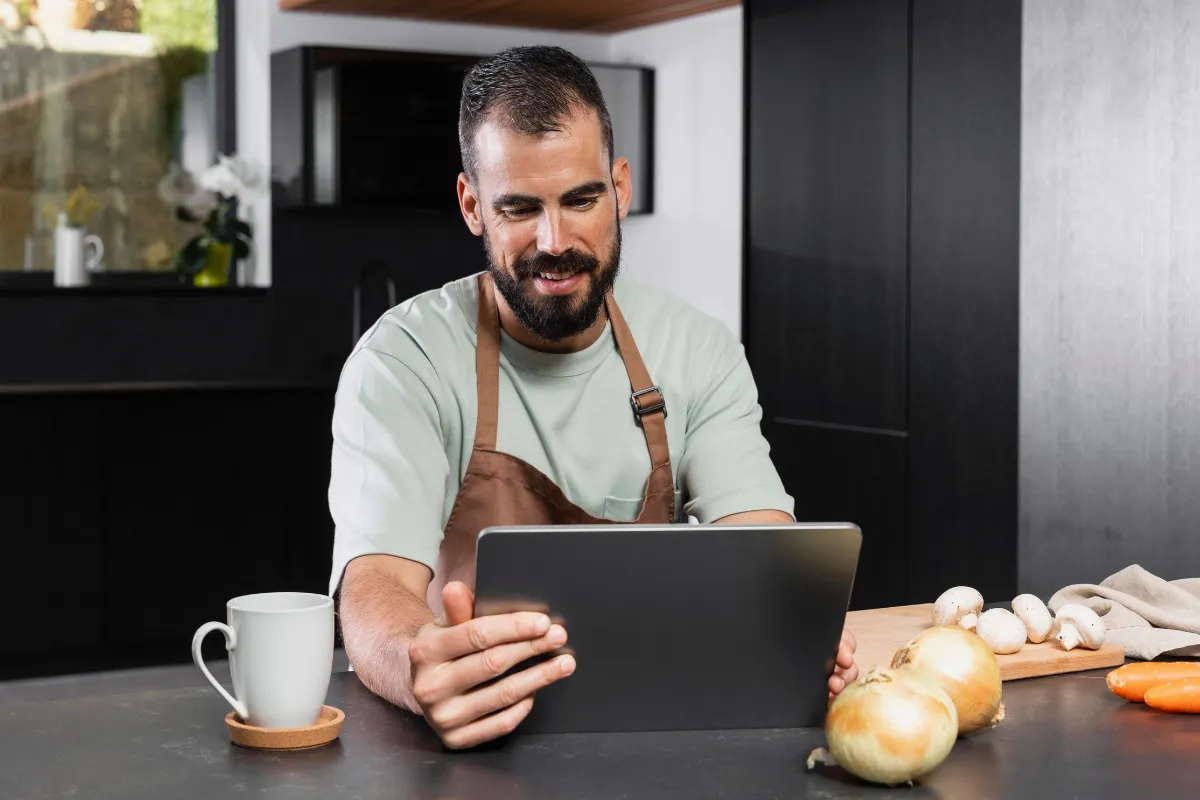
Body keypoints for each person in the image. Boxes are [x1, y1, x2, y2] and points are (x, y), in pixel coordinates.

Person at [327, 45, 858, 750]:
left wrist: (793, 621)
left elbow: (757, 544)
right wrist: (415, 665)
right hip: (482, 741)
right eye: (519, 208)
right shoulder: (404, 360)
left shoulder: (697, 349)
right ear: (472, 207)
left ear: (620, 188)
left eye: (581, 200)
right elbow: (375, 590)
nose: (555, 242)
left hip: (666, 735)